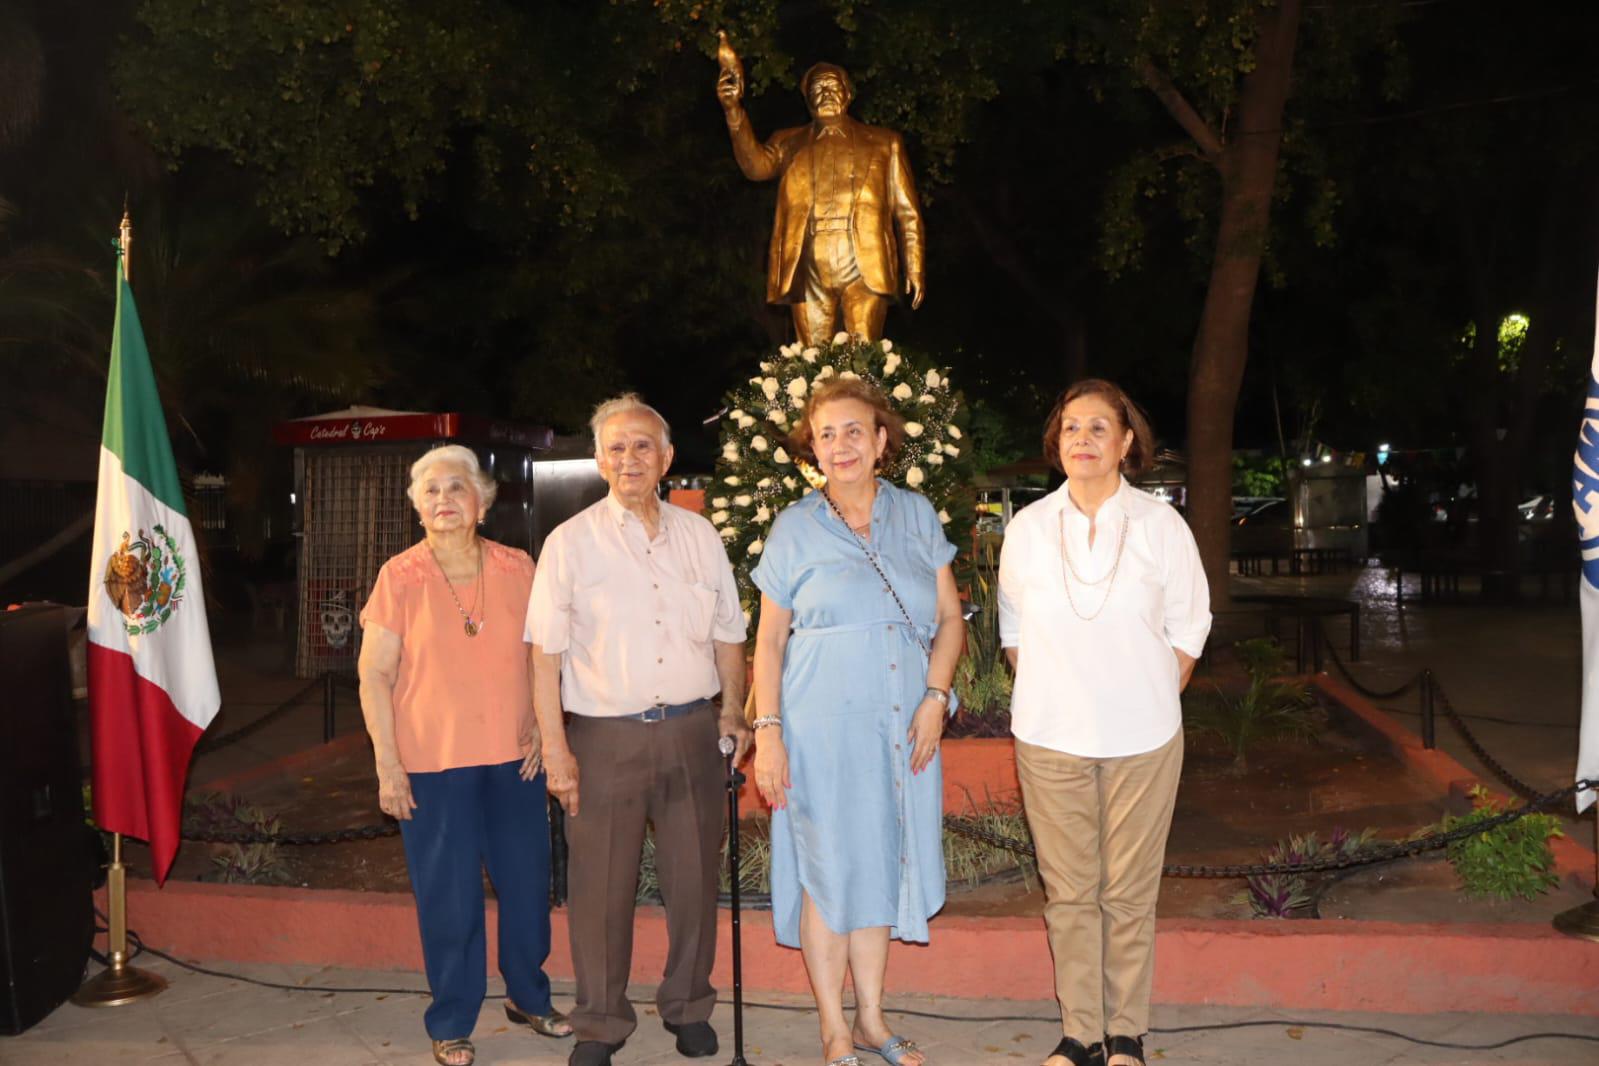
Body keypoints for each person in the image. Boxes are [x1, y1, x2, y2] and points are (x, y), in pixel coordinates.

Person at [526, 394, 752, 1066]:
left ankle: (687, 1006)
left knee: (692, 882)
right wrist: (557, 749)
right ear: (599, 460)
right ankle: (599, 1023)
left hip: (690, 732)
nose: (630, 458)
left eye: (643, 446)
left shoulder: (700, 537)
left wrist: (733, 711)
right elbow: (544, 655)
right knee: (599, 890)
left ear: (668, 458)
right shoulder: (570, 542)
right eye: (616, 447)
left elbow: (729, 636)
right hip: (604, 738)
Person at [997, 381, 1211, 1066]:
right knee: (1068, 894)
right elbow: (1012, 628)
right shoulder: (1027, 529)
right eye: (1069, 428)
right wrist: (1056, 688)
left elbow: (1189, 627)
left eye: (1097, 427)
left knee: (1126, 892)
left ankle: (1125, 1032)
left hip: (1142, 740)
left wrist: (1141, 694)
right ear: (1055, 445)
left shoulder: (1160, 527)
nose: (1082, 439)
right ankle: (1079, 1033)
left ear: (1126, 443)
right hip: (1048, 737)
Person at [750, 377, 963, 1066]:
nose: (839, 445)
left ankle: (872, 1019)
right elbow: (769, 642)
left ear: (880, 442)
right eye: (825, 434)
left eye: (853, 431)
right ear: (811, 448)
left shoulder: (916, 514)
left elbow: (951, 620)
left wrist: (936, 698)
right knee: (826, 869)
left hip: (902, 721)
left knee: (880, 859)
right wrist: (769, 731)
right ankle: (832, 1028)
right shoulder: (793, 526)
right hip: (816, 726)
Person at [358, 444, 570, 1066]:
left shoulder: (517, 568)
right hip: (431, 764)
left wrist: (539, 720)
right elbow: (374, 676)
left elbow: (542, 656)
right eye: (431, 490)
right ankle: (450, 1018)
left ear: (482, 502)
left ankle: (528, 997)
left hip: (514, 757)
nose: (443, 500)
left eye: (457, 488)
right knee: (448, 898)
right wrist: (387, 764)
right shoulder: (399, 577)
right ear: (417, 507)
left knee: (528, 888)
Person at [717, 53, 925, 345]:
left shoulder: (885, 142)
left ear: (847, 93)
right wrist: (733, 110)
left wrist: (914, 266)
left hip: (864, 260)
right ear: (807, 100)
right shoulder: (787, 141)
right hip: (807, 260)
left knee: (863, 359)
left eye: (832, 86)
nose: (825, 94)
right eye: (817, 89)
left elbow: (908, 212)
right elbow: (755, 167)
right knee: (814, 363)